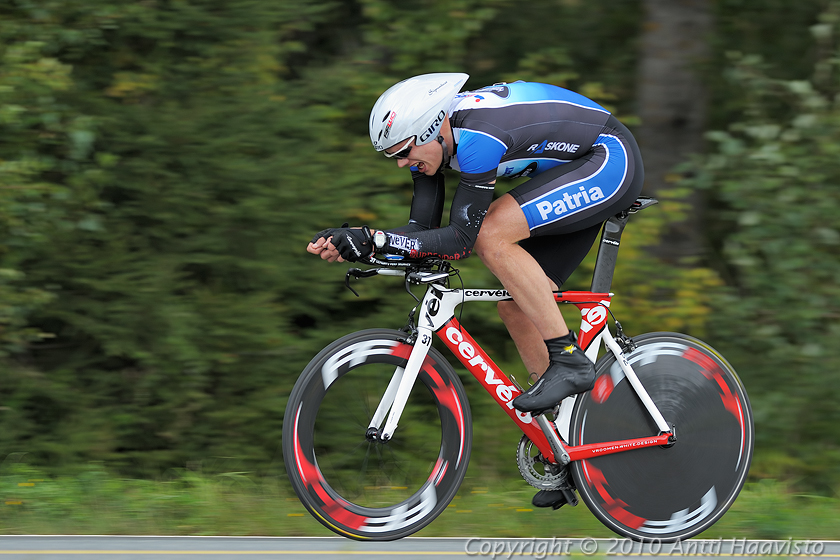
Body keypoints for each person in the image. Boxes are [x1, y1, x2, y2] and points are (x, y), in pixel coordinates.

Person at [307, 73, 644, 509]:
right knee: (517, 307)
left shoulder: (478, 137)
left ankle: (569, 360)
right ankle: (564, 445)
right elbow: (419, 239)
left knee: (489, 236)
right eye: (391, 156)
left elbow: (462, 242)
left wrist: (375, 237)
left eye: (404, 151)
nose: (400, 163)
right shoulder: (434, 150)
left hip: (608, 158)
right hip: (573, 170)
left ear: (432, 129)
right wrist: (357, 244)